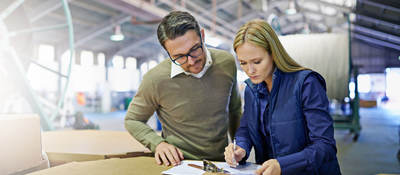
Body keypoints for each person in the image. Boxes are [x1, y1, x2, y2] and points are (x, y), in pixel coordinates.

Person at [223, 19, 341, 175]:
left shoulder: (306, 84)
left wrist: (283, 165)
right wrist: (240, 149)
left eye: (257, 62)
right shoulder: (252, 89)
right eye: (243, 63)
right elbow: (246, 129)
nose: (249, 70)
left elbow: (325, 146)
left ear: (273, 53)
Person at [125, 11, 242, 167]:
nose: (191, 61)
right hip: (179, 165)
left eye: (195, 49)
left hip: (221, 163)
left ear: (202, 36)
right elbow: (132, 120)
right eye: (179, 56)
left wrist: (239, 145)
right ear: (168, 53)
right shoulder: (155, 79)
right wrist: (158, 144)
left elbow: (235, 110)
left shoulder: (226, 63)